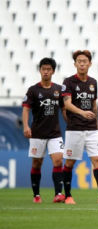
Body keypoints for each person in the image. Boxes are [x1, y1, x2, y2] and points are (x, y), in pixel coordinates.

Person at [61, 50, 98, 204]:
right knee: (69, 163)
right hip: (75, 128)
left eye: (84, 61)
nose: (82, 63)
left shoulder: (93, 82)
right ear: (75, 64)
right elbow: (66, 104)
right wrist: (82, 113)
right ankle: (67, 196)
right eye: (79, 61)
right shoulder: (68, 82)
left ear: (90, 64)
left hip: (92, 129)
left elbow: (94, 105)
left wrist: (97, 125)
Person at [22, 57, 67, 203]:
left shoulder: (58, 90)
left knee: (58, 160)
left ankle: (58, 194)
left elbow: (64, 109)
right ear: (40, 70)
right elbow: (26, 109)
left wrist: (70, 122)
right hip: (38, 133)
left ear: (53, 71)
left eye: (48, 69)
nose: (46, 72)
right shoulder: (33, 90)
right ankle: (36, 195)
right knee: (37, 164)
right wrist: (26, 126)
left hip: (54, 133)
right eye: (43, 69)